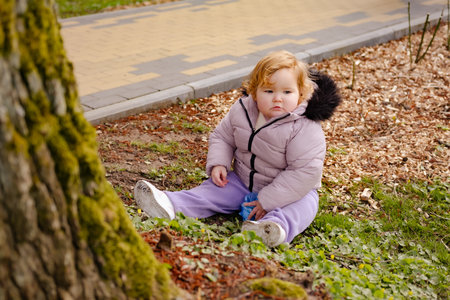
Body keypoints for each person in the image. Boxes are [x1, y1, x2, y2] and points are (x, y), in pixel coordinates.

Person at [134, 50, 341, 247]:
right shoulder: (243, 110)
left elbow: (304, 172)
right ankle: (169, 204)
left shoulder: (304, 126)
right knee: (212, 191)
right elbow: (223, 136)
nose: (278, 98)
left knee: (301, 208)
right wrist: (219, 163)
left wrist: (267, 200)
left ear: (301, 94)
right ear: (254, 91)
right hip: (243, 180)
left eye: (287, 92)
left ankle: (273, 228)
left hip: (292, 191)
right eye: (269, 91)